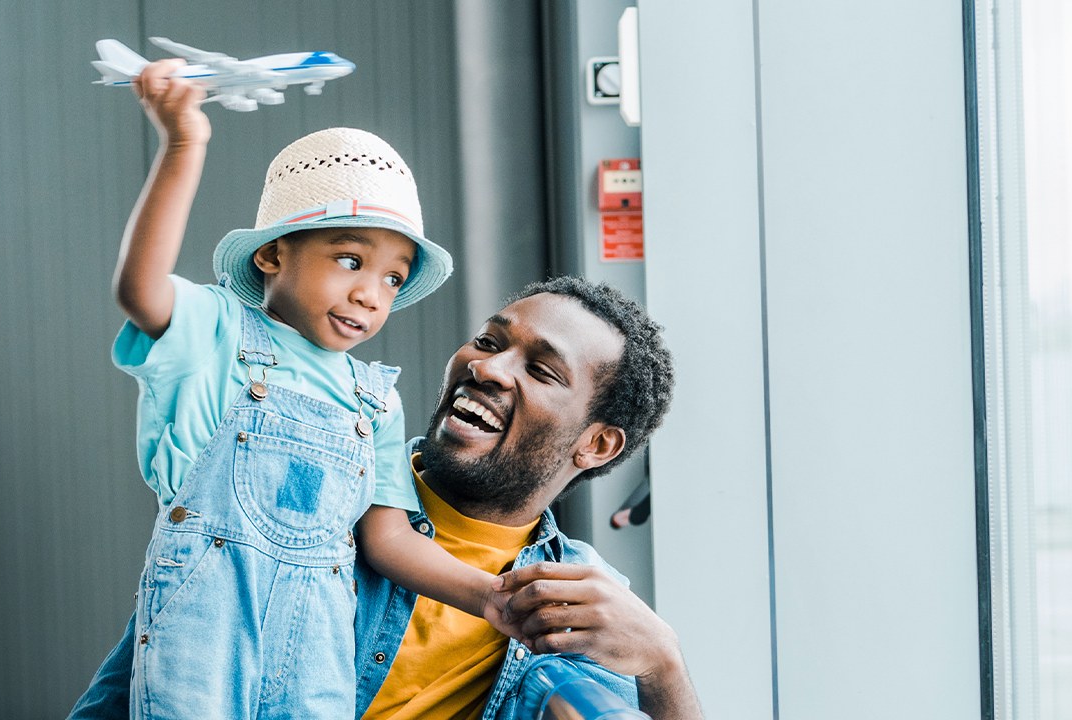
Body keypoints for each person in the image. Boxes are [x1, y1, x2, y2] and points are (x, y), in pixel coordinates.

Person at [81, 59, 516, 717]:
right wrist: (181, 143)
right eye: (350, 260)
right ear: (272, 254)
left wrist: (491, 597)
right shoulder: (218, 332)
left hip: (318, 655)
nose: (371, 294)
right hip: (205, 638)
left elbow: (387, 539)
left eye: (394, 278)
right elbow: (139, 289)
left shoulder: (374, 398)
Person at [76, 276, 706, 719]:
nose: (486, 368)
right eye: (489, 342)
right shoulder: (307, 479)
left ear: (595, 444)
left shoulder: (580, 599)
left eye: (541, 370)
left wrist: (664, 669)